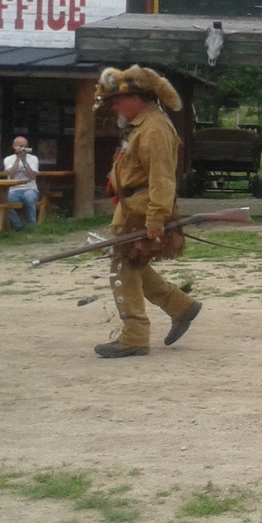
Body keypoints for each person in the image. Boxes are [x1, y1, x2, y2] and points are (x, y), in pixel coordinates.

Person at [91, 64, 202, 358]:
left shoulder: (154, 128)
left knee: (123, 268)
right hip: (131, 207)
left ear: (136, 97)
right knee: (132, 264)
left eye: (117, 101)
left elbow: (162, 178)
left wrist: (156, 219)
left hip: (143, 209)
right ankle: (180, 306)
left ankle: (135, 336)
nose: (114, 107)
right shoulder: (141, 125)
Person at [4, 136, 40, 230]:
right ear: (14, 146)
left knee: (28, 197)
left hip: (30, 188)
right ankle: (18, 226)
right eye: (20, 146)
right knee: (4, 201)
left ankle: (31, 226)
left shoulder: (33, 158)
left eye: (25, 146)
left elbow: (32, 176)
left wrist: (24, 161)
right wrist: (18, 159)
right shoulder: (8, 159)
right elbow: (12, 175)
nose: (22, 148)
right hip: (13, 189)